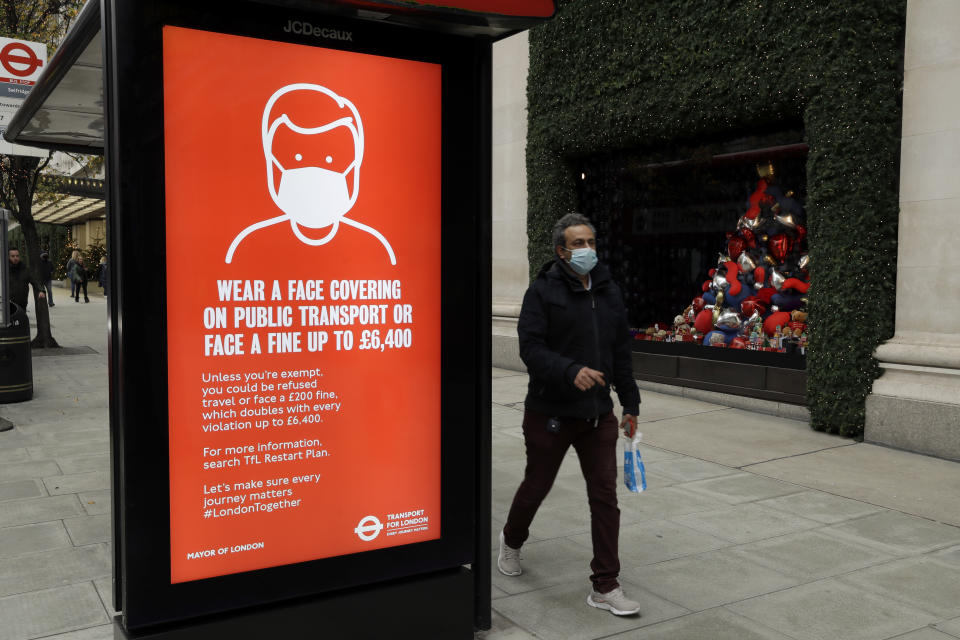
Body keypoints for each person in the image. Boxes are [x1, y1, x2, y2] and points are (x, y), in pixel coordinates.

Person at [498, 213, 642, 617]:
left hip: (598, 415)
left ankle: (605, 584)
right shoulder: (542, 291)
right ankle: (511, 540)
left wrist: (630, 404)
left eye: (592, 242)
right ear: (561, 251)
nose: (587, 250)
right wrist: (569, 370)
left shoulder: (609, 290)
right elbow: (530, 347)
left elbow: (620, 354)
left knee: (604, 497)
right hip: (550, 413)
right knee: (537, 485)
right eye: (578, 244)